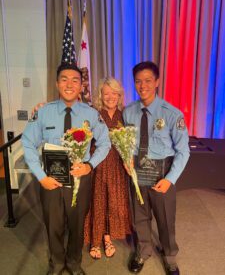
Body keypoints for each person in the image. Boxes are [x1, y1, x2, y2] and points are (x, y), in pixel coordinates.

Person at [22, 64, 111, 275]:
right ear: (56, 83)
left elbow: (105, 143)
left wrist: (90, 165)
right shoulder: (44, 112)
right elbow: (27, 142)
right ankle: (57, 264)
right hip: (51, 180)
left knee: (77, 225)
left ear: (81, 85)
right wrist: (41, 176)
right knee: (53, 225)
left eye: (75, 80)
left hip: (80, 179)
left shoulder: (91, 114)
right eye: (64, 79)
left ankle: (73, 263)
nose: (69, 84)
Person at [123, 61, 190, 275]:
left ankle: (169, 256)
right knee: (139, 216)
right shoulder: (128, 112)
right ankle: (143, 250)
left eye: (148, 81)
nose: (143, 86)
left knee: (165, 219)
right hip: (137, 173)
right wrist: (126, 158)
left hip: (162, 174)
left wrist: (170, 179)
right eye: (138, 81)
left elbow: (183, 151)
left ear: (157, 82)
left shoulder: (172, 114)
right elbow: (126, 142)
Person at [84, 77, 131, 259]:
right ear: (100, 96)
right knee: (97, 202)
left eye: (114, 93)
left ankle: (107, 237)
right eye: (106, 93)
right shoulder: (94, 114)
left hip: (117, 166)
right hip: (98, 165)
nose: (110, 97)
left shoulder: (124, 116)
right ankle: (95, 241)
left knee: (112, 202)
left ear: (119, 95)